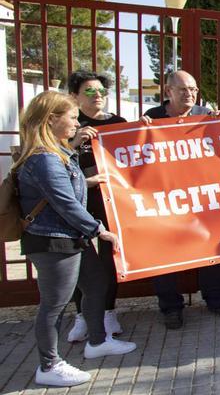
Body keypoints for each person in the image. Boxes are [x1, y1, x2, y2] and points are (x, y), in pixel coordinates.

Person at [15, 91, 136, 387]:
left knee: (95, 284)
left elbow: (70, 184)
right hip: (53, 241)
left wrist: (79, 158)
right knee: (53, 305)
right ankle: (49, 365)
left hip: (72, 238)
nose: (75, 122)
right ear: (52, 119)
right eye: (70, 117)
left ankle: (97, 341)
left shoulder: (57, 151)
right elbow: (65, 203)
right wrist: (100, 230)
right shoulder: (43, 159)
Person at [141, 70, 220, 329]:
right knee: (164, 257)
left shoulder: (204, 115)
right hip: (163, 200)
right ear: (168, 91)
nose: (189, 94)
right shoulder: (151, 118)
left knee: (209, 253)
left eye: (193, 89)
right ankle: (171, 308)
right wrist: (140, 132)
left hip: (200, 200)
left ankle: (217, 301)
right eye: (183, 89)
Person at [63, 71, 128, 343]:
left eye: (101, 90)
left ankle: (108, 313)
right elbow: (54, 160)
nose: (97, 95)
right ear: (75, 96)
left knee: (107, 260)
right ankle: (82, 316)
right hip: (77, 205)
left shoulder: (118, 122)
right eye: (90, 91)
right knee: (80, 261)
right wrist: (75, 143)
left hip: (110, 205)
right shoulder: (68, 126)